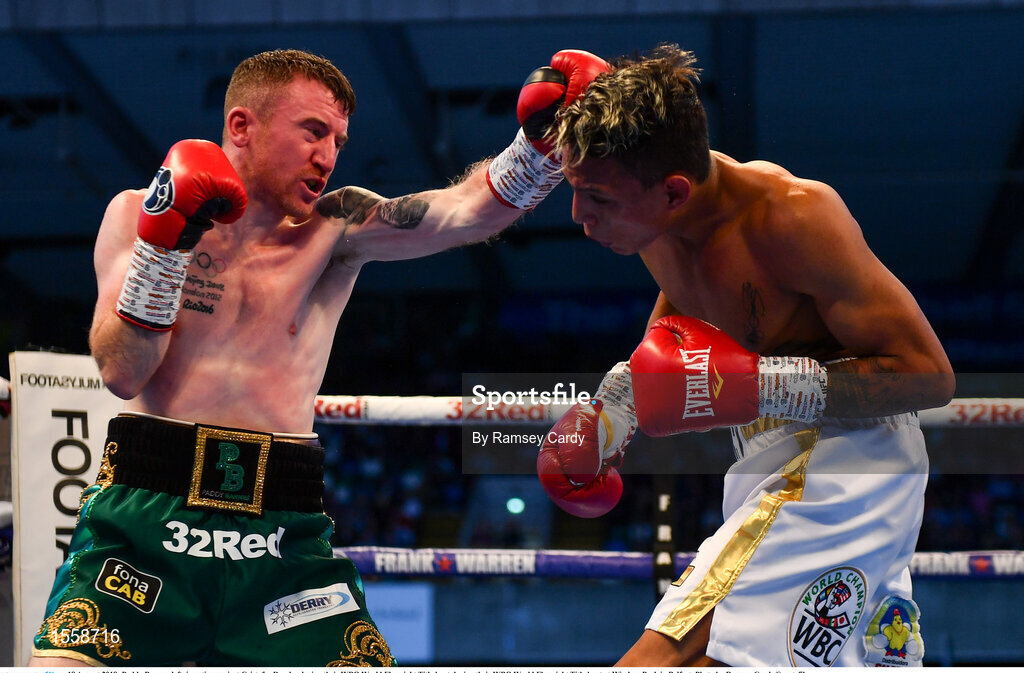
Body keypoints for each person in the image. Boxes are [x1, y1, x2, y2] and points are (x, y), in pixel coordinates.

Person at [29, 47, 610, 667]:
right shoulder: (135, 212)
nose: (328, 157)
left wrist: (543, 145)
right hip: (146, 518)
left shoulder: (334, 228)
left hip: (281, 531)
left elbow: (464, 213)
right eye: (313, 132)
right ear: (241, 127)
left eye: (338, 140)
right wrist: (165, 248)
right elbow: (122, 372)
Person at [536, 44, 955, 667]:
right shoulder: (656, 226)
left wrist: (763, 385)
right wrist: (609, 417)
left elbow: (931, 376)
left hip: (847, 461)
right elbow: (672, 340)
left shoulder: (793, 218)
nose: (579, 217)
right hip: (767, 462)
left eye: (598, 198)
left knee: (669, 658)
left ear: (674, 192)